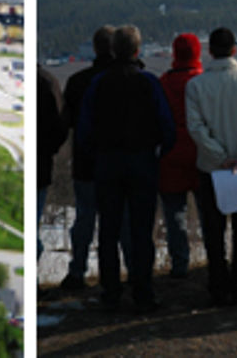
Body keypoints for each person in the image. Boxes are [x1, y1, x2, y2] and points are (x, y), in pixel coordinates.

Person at [78, 24, 175, 313]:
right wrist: (159, 152)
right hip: (142, 161)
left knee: (108, 230)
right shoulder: (149, 82)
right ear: (137, 50)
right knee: (142, 230)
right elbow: (167, 125)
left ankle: (111, 293)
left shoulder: (99, 83)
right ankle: (143, 291)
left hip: (108, 162)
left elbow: (85, 129)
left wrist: (96, 155)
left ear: (112, 50)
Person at [185, 26, 237, 306]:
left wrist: (219, 156)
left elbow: (196, 128)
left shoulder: (196, 86)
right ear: (234, 50)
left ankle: (218, 286)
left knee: (214, 229)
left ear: (210, 51)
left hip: (211, 168)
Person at [58, 25, 115, 292]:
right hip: (117, 163)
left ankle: (77, 271)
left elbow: (65, 123)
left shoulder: (77, 82)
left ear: (94, 48)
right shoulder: (130, 79)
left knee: (84, 220)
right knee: (117, 222)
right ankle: (118, 274)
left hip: (85, 162)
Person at [157, 33, 203, 279]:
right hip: (201, 152)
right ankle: (214, 257)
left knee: (175, 214)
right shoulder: (202, 81)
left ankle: (179, 263)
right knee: (208, 211)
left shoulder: (164, 83)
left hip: (171, 154)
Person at [37, 65, 66, 259]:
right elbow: (59, 126)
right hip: (42, 164)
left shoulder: (45, 82)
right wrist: (51, 150)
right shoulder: (47, 82)